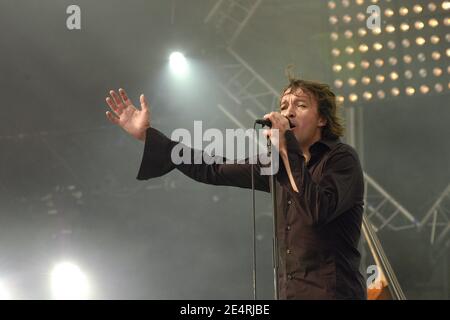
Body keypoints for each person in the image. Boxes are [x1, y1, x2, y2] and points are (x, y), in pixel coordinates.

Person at [104, 78, 367, 300]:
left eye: (300, 105)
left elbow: (317, 211)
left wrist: (287, 147)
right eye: (284, 105)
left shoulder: (341, 159)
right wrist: (149, 135)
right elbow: (213, 168)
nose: (288, 112)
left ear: (322, 119)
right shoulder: (276, 164)